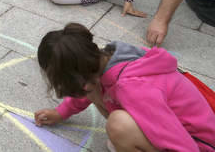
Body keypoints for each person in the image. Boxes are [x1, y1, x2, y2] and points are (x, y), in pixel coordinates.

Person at [34, 23, 215, 152]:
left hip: (199, 144)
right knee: (114, 123)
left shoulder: (133, 88)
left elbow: (182, 144)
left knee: (119, 125)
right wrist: (61, 112)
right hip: (176, 128)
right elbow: (86, 89)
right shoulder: (106, 58)